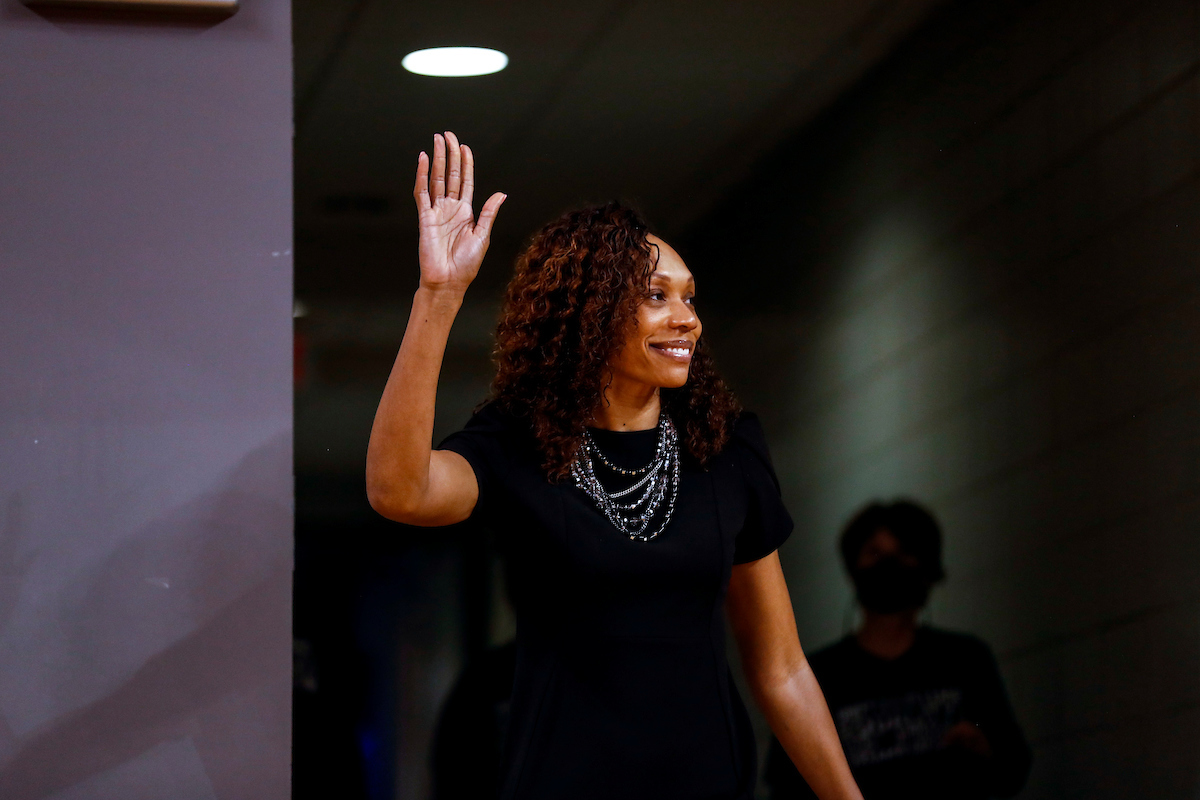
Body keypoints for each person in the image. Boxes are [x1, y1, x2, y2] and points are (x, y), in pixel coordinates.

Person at [365, 131, 864, 800]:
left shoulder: (726, 448)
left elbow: (781, 669)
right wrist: (439, 296)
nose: (686, 318)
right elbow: (400, 492)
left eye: (689, 298)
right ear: (589, 315)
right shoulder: (519, 444)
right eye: (657, 296)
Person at [764, 500, 1032, 800]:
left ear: (927, 568)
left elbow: (1014, 765)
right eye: (874, 553)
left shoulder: (965, 659)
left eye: (904, 553)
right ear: (853, 568)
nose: (889, 565)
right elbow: (786, 784)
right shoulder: (820, 676)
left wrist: (984, 749)